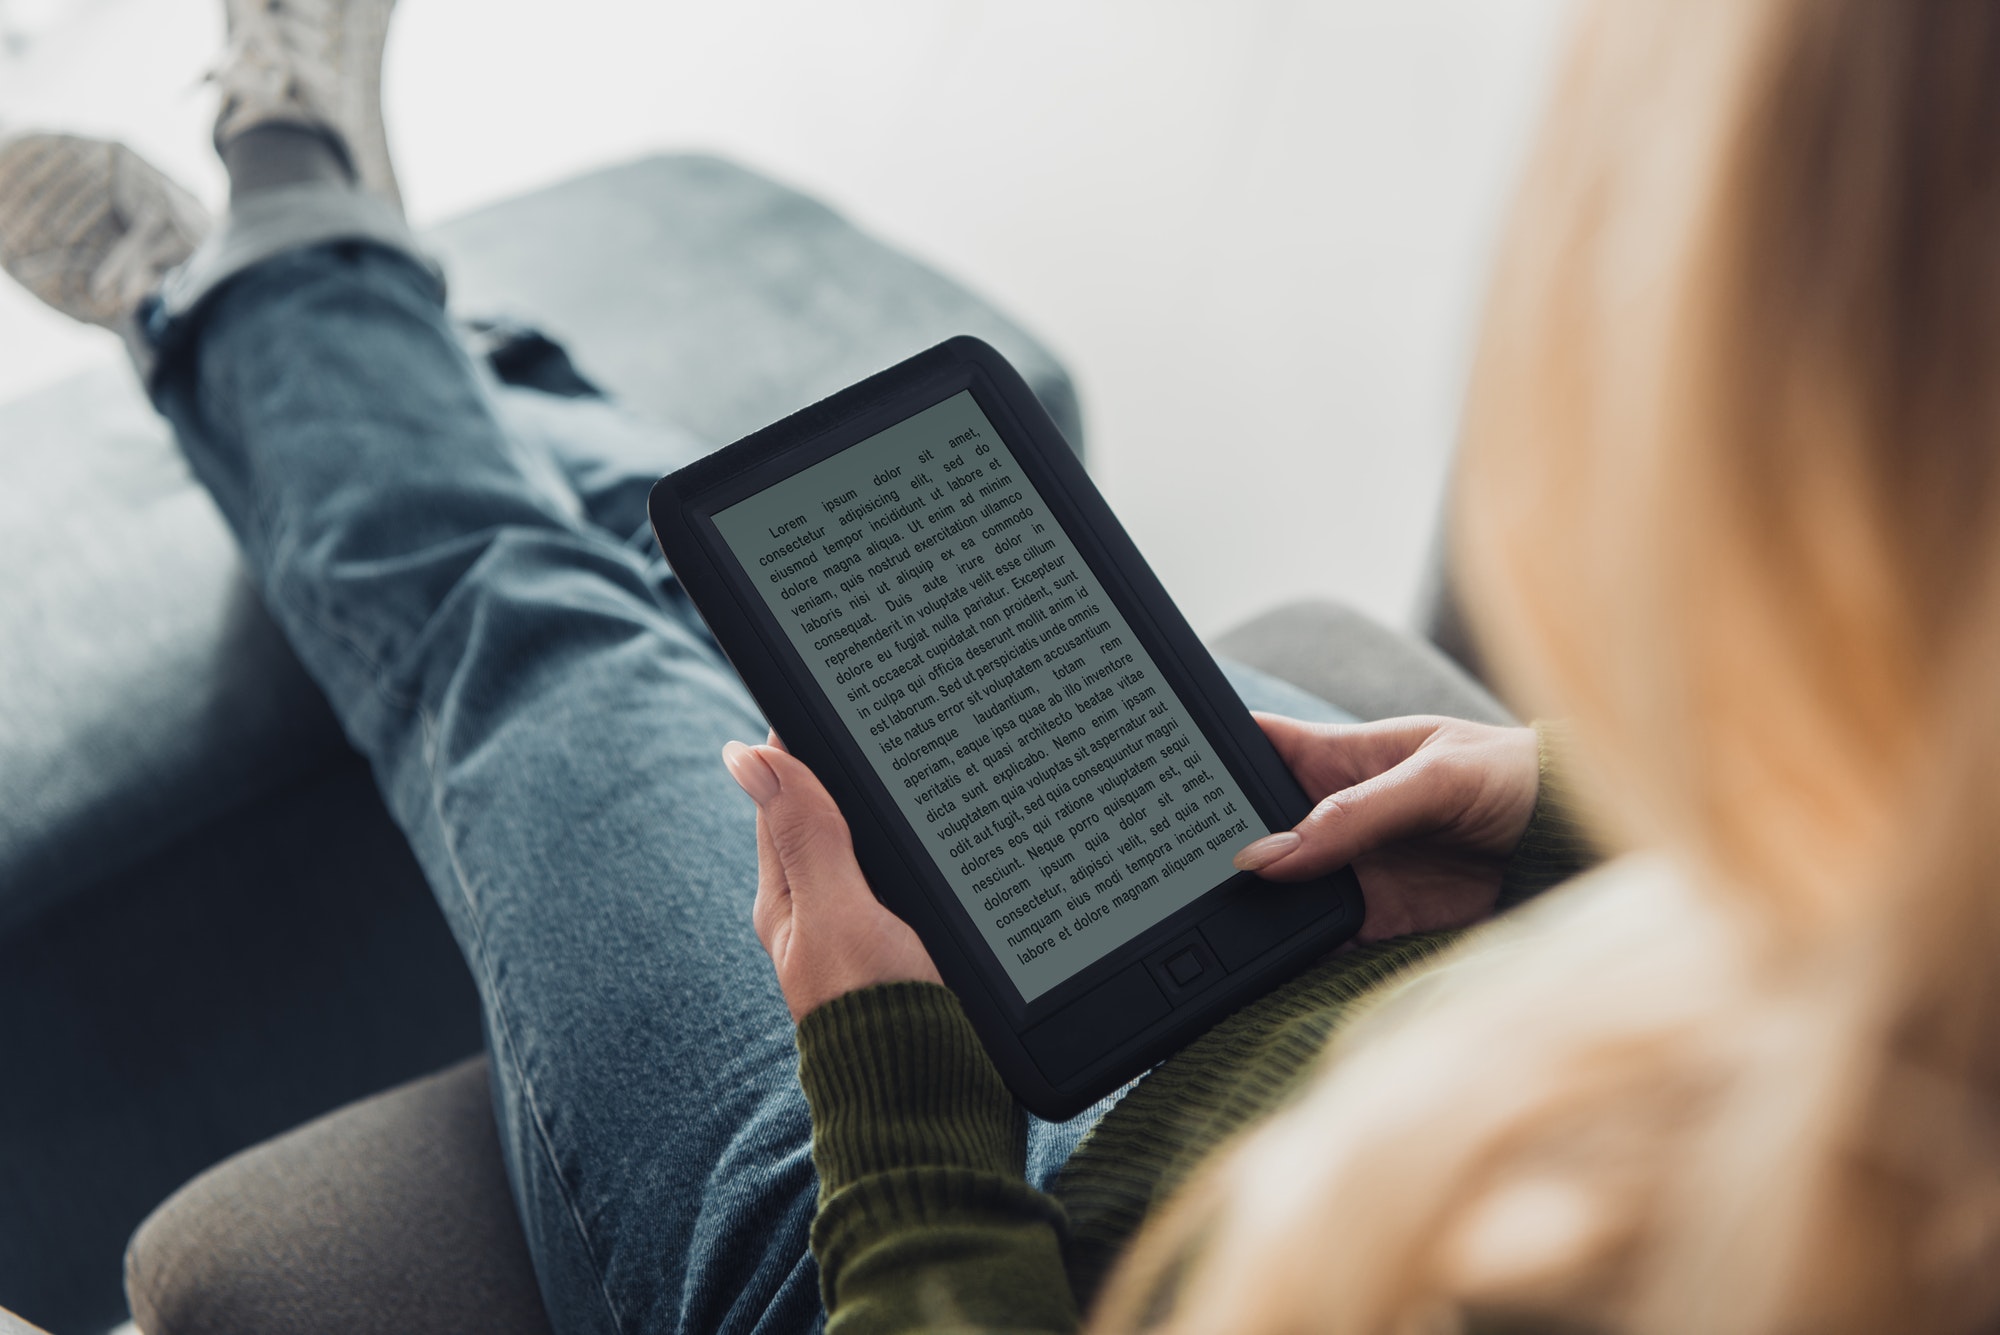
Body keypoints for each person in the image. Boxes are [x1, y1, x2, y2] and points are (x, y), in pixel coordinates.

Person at [0, 2, 1639, 1334]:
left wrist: (905, 1120)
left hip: (976, 1261)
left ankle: (265, 281)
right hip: (1387, 951)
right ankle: (325, 286)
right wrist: (1555, 804)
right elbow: (1873, 917)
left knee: (541, 632)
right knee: (765, 562)